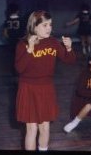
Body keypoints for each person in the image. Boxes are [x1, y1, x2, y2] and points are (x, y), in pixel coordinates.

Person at [15, 10, 76, 151]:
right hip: (28, 88)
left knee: (45, 126)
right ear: (34, 26)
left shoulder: (53, 42)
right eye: (44, 25)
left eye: (50, 24)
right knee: (31, 128)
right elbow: (19, 69)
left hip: (46, 88)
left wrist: (69, 48)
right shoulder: (22, 44)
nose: (49, 28)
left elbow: (70, 60)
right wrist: (30, 49)